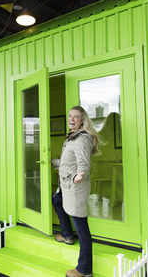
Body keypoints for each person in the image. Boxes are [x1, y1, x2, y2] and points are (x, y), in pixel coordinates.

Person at [51, 106, 102, 277]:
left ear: (82, 120)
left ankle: (84, 269)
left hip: (75, 187)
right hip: (65, 185)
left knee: (82, 227)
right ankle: (67, 235)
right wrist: (54, 162)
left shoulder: (82, 139)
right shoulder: (73, 137)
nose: (72, 119)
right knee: (57, 200)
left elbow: (83, 164)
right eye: (70, 116)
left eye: (76, 117)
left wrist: (79, 176)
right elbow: (68, 162)